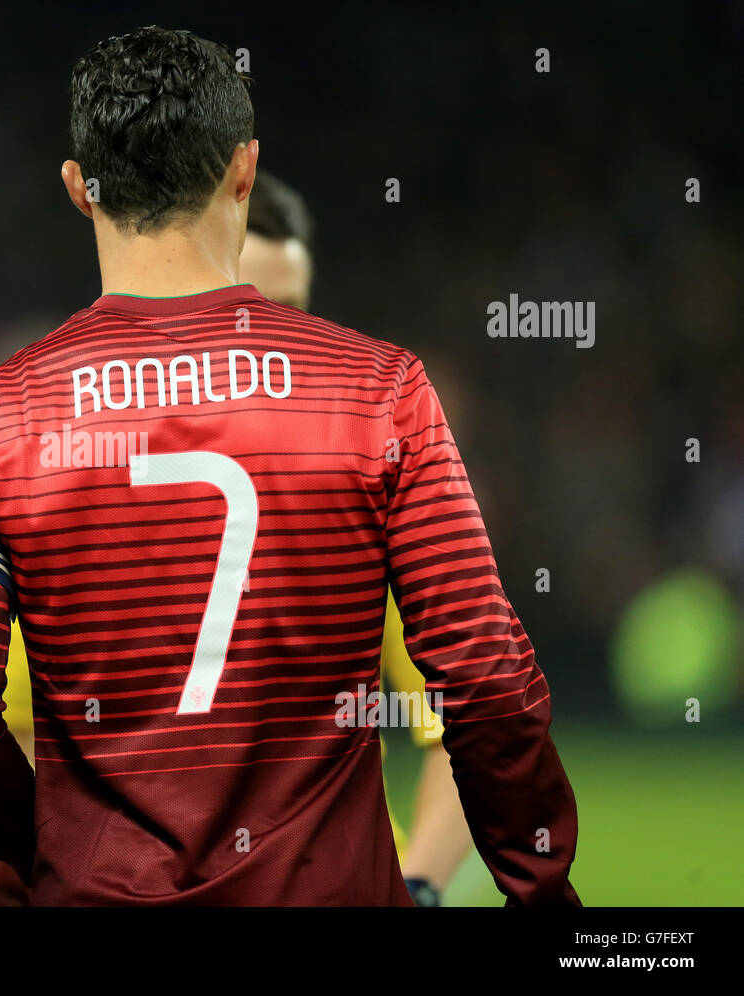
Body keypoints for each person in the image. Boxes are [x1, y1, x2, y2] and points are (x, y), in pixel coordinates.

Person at [0, 26, 580, 905]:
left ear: (78, 188)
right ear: (244, 170)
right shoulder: (379, 393)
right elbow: (484, 677)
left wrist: (39, 847)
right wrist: (543, 896)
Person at [239, 171, 474, 905]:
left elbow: (472, 722)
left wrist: (423, 885)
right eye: (251, 315)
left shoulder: (366, 498)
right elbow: (4, 736)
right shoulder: (84, 493)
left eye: (297, 315)